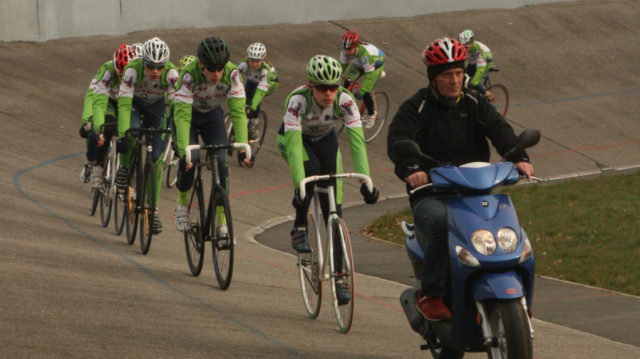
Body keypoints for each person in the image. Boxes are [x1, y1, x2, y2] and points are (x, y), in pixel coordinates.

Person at [386, 38, 534, 321]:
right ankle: (431, 295)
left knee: (510, 225)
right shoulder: (415, 107)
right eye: (446, 75)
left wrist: (518, 156)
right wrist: (411, 167)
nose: (454, 80)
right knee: (442, 223)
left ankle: (520, 297)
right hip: (432, 193)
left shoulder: (475, 101)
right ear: (433, 77)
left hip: (477, 191)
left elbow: (499, 128)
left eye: (458, 73)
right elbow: (398, 140)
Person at [277, 55, 379, 304]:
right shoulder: (297, 101)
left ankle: (341, 276)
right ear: (311, 86)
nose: (328, 93)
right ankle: (299, 225)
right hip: (295, 141)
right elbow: (292, 147)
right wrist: (299, 187)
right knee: (309, 170)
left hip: (325, 140)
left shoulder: (345, 101)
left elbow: (357, 142)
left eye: (333, 87)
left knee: (335, 212)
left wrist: (367, 181)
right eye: (322, 88)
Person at [172, 37, 254, 237]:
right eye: (211, 69)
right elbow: (182, 116)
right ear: (201, 64)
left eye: (220, 68)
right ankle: (182, 204)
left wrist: (243, 147)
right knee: (191, 159)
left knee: (221, 160)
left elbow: (238, 112)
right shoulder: (188, 75)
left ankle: (222, 221)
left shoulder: (232, 74)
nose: (217, 74)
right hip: (188, 116)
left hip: (212, 115)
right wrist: (184, 152)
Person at [114, 37, 179, 235]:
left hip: (157, 108)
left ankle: (153, 211)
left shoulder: (172, 74)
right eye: (150, 66)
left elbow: (176, 107)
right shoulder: (132, 71)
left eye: (159, 67)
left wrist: (176, 134)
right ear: (143, 62)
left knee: (157, 158)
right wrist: (124, 134)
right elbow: (124, 104)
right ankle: (125, 167)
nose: (155, 72)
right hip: (134, 104)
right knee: (132, 133)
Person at [79, 44, 136, 188]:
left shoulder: (138, 71)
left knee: (134, 131)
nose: (123, 80)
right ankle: (95, 164)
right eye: (120, 76)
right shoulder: (106, 71)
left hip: (128, 102)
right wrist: (88, 121)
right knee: (105, 127)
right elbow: (92, 97)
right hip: (109, 101)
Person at [339, 30, 385, 122]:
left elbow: (369, 76)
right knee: (347, 82)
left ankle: (372, 114)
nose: (346, 52)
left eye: (349, 49)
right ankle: (347, 106)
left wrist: (362, 90)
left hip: (375, 65)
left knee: (365, 92)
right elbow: (341, 67)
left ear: (356, 47)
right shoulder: (345, 51)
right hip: (359, 64)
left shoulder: (365, 55)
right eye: (345, 49)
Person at [237, 43, 279, 140]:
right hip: (253, 80)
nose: (254, 64)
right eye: (252, 61)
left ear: (262, 60)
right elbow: (233, 77)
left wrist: (252, 108)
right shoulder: (244, 65)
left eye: (258, 61)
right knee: (245, 96)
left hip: (270, 83)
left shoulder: (266, 70)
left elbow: (260, 92)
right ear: (248, 59)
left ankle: (254, 122)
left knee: (255, 96)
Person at [459, 30, 493, 99]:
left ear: (472, 44)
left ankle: (488, 94)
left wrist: (472, 84)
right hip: (474, 61)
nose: (464, 49)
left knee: (474, 83)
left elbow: (480, 69)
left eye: (466, 47)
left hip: (485, 61)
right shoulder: (460, 47)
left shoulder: (478, 50)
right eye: (462, 47)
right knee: (464, 78)